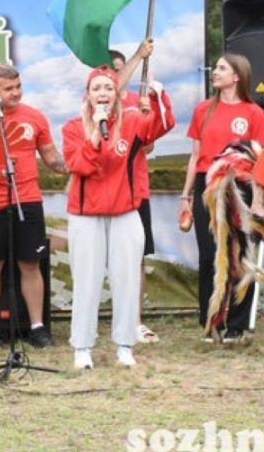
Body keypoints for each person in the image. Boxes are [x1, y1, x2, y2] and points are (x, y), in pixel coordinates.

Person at [62, 60, 173, 370]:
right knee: (87, 281)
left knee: (126, 280)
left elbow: (163, 124)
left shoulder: (133, 122)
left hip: (125, 212)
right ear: (88, 94)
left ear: (117, 93)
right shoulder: (73, 128)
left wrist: (156, 95)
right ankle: (82, 348)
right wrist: (97, 134)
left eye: (109, 88)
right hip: (86, 216)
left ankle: (125, 346)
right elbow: (80, 165)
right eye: (97, 88)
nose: (103, 93)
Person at [0, 65, 66, 349]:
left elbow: (50, 156)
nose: (16, 93)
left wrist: (71, 167)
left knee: (30, 264)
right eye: (9, 89)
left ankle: (37, 327)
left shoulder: (35, 117)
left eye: (18, 86)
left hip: (28, 199)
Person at [179, 54, 264, 342]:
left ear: (237, 76)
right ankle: (210, 320)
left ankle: (237, 324)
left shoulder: (253, 112)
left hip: (240, 187)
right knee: (209, 257)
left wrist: (258, 200)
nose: (214, 72)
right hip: (208, 188)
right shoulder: (203, 109)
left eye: (221, 68)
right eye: (215, 68)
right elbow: (194, 156)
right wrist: (185, 195)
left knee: (241, 256)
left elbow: (258, 159)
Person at [109, 46, 160, 345]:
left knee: (136, 259)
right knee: (109, 259)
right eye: (115, 69)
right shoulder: (99, 101)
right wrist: (139, 56)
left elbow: (149, 147)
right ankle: (116, 320)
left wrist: (144, 119)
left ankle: (135, 322)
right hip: (106, 195)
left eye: (121, 67)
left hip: (136, 189)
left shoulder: (136, 102)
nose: (119, 73)